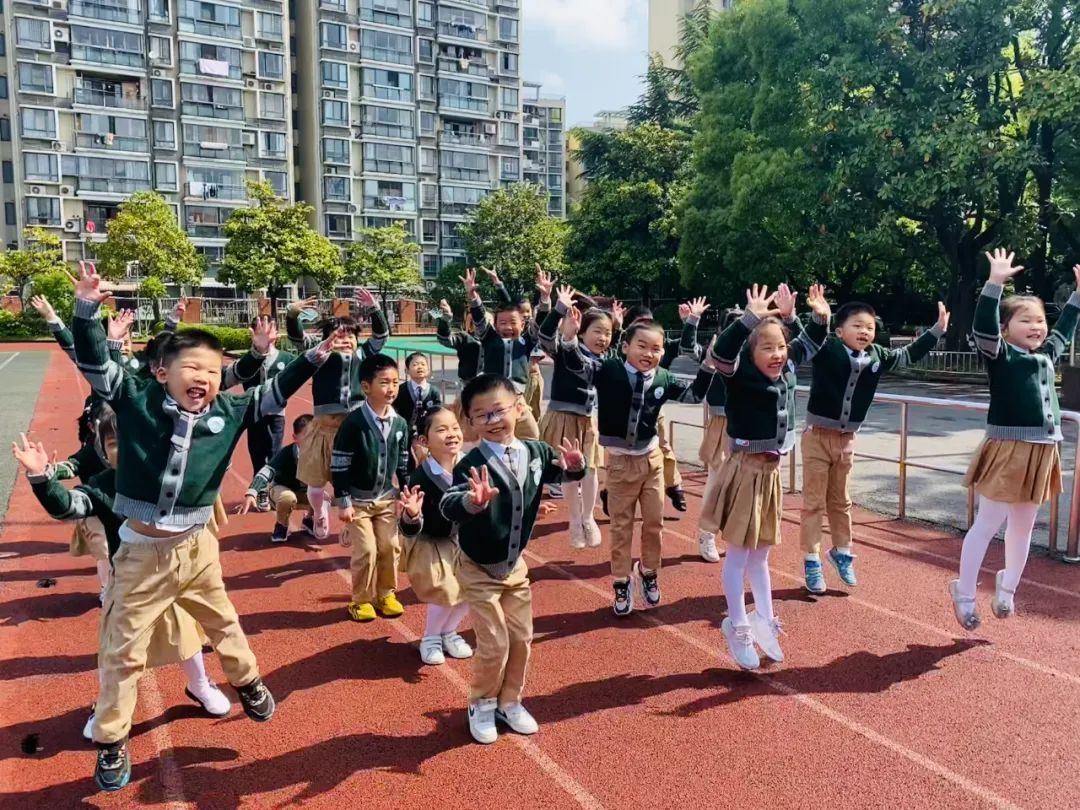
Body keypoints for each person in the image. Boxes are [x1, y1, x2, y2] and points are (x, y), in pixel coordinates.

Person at [69, 262, 339, 792]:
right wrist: (84, 309)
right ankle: (112, 739)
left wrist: (311, 358)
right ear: (162, 372)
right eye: (192, 367)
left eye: (214, 371)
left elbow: (274, 392)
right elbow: (96, 362)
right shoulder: (134, 399)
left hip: (196, 550)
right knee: (122, 653)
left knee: (225, 624)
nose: (204, 378)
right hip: (140, 555)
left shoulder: (229, 413)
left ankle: (248, 681)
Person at [12, 415, 231, 743]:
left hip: (172, 574)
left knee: (185, 635)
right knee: (116, 651)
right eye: (114, 443)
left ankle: (199, 685)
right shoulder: (102, 485)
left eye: (133, 440)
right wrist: (41, 477)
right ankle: (107, 706)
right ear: (103, 449)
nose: (125, 449)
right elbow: (67, 506)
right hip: (127, 582)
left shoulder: (170, 475)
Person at [440, 374, 586, 744]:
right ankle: (482, 703)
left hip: (514, 567)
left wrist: (574, 467)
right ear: (470, 421)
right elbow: (447, 504)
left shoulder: (536, 452)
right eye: (481, 415)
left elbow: (560, 472)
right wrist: (471, 501)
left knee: (521, 638)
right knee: (494, 642)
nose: (492, 421)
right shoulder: (470, 463)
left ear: (519, 408)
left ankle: (509, 701)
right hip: (477, 567)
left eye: (498, 411)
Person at [951, 250, 1080, 629]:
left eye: (1040, 320)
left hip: (1043, 451)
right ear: (1006, 329)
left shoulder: (1047, 355)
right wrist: (994, 284)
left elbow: (1065, 328)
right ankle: (964, 592)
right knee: (988, 523)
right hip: (1007, 449)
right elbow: (983, 330)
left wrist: (1077, 297)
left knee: (1023, 526)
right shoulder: (1000, 354)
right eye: (1025, 320)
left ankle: (1007, 589)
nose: (1036, 326)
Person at [707, 283, 829, 670]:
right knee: (739, 555)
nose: (777, 354)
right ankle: (738, 625)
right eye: (767, 348)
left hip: (771, 472)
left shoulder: (786, 368)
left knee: (761, 555)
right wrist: (748, 320)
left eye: (780, 347)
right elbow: (722, 354)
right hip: (745, 469)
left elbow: (810, 344)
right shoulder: (738, 372)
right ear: (751, 352)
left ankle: (764, 618)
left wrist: (815, 317)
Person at [801, 297, 950, 593]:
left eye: (869, 327)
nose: (864, 332)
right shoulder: (826, 348)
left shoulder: (877, 355)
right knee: (814, 503)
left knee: (841, 502)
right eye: (857, 326)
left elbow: (907, 355)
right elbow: (807, 339)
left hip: (846, 440)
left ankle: (842, 552)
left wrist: (936, 331)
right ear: (839, 331)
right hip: (817, 437)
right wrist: (817, 318)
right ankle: (812, 559)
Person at [589, 312, 714, 616]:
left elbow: (693, 396)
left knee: (654, 523)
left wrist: (709, 365)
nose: (649, 354)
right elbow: (574, 361)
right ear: (625, 347)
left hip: (652, 461)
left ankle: (648, 572)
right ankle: (621, 581)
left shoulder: (663, 377)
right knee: (621, 526)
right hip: (620, 464)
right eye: (642, 346)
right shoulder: (609, 370)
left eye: (656, 348)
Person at [286, 291, 388, 540]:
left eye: (351, 336)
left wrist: (375, 309)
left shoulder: (362, 356)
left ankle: (351, 523)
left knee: (355, 483)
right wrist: (292, 314)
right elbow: (297, 338)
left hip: (353, 430)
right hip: (323, 429)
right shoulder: (319, 356)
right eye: (339, 335)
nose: (345, 341)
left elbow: (381, 336)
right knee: (315, 484)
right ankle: (319, 511)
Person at [599, 300, 705, 514]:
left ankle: (674, 485)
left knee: (663, 446)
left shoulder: (661, 346)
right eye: (640, 326)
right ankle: (610, 490)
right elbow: (611, 359)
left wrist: (690, 322)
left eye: (649, 324)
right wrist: (616, 327)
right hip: (623, 413)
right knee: (621, 459)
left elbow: (686, 347)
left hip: (653, 407)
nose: (648, 351)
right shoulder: (622, 357)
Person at [537, 286, 621, 548]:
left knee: (591, 470)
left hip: (588, 420)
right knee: (569, 471)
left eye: (607, 333)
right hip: (563, 417)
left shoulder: (604, 359)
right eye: (597, 331)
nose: (603, 338)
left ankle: (588, 517)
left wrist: (617, 326)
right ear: (582, 331)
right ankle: (574, 520)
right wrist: (558, 310)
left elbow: (614, 361)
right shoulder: (565, 349)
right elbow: (546, 338)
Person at [331, 354, 410, 622]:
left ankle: (385, 594)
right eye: (384, 382)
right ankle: (361, 600)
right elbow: (339, 464)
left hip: (386, 498)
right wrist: (343, 501)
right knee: (366, 550)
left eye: (395, 382)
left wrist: (406, 491)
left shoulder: (400, 423)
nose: (391, 388)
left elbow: (403, 462)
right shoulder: (353, 423)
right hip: (358, 501)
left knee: (390, 546)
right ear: (366, 387)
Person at [398, 407, 474, 665]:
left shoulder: (471, 465)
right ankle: (430, 637)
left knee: (472, 589)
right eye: (442, 430)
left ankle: (448, 632)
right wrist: (412, 515)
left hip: (461, 539)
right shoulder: (421, 477)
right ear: (424, 440)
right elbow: (408, 528)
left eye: (455, 428)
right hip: (430, 541)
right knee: (445, 589)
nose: (451, 434)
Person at [463, 268, 552, 441]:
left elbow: (540, 323)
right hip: (493, 398)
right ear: (495, 325)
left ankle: (521, 456)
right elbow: (479, 318)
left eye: (513, 322)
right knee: (491, 434)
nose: (508, 327)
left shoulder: (526, 341)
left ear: (523, 324)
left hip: (517, 399)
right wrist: (473, 296)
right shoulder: (489, 338)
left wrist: (545, 298)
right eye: (502, 323)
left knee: (532, 435)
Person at [228, 318, 299, 512]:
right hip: (253, 413)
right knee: (257, 451)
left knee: (275, 452)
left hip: (277, 413)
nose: (267, 332)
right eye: (261, 328)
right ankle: (259, 490)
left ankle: (271, 489)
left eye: (271, 327)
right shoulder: (248, 361)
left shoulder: (286, 358)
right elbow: (236, 377)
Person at [238, 414, 314, 543]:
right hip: (282, 490)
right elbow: (266, 471)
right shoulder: (286, 453)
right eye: (307, 436)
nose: (312, 440)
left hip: (307, 493)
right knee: (287, 498)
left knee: (323, 497)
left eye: (316, 436)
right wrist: (252, 492)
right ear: (295, 438)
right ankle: (281, 525)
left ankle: (309, 519)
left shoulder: (321, 453)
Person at [695, 336, 728, 564]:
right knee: (716, 481)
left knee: (745, 486)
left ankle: (738, 538)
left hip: (752, 422)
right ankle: (707, 533)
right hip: (723, 420)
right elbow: (690, 349)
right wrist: (692, 323)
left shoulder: (759, 346)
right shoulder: (719, 347)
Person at [393, 351, 443, 469]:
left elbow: (437, 413)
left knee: (428, 460)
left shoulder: (433, 391)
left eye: (423, 364)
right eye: (415, 365)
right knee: (405, 460)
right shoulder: (401, 390)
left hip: (426, 432)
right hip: (405, 431)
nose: (419, 367)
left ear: (428, 370)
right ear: (407, 371)